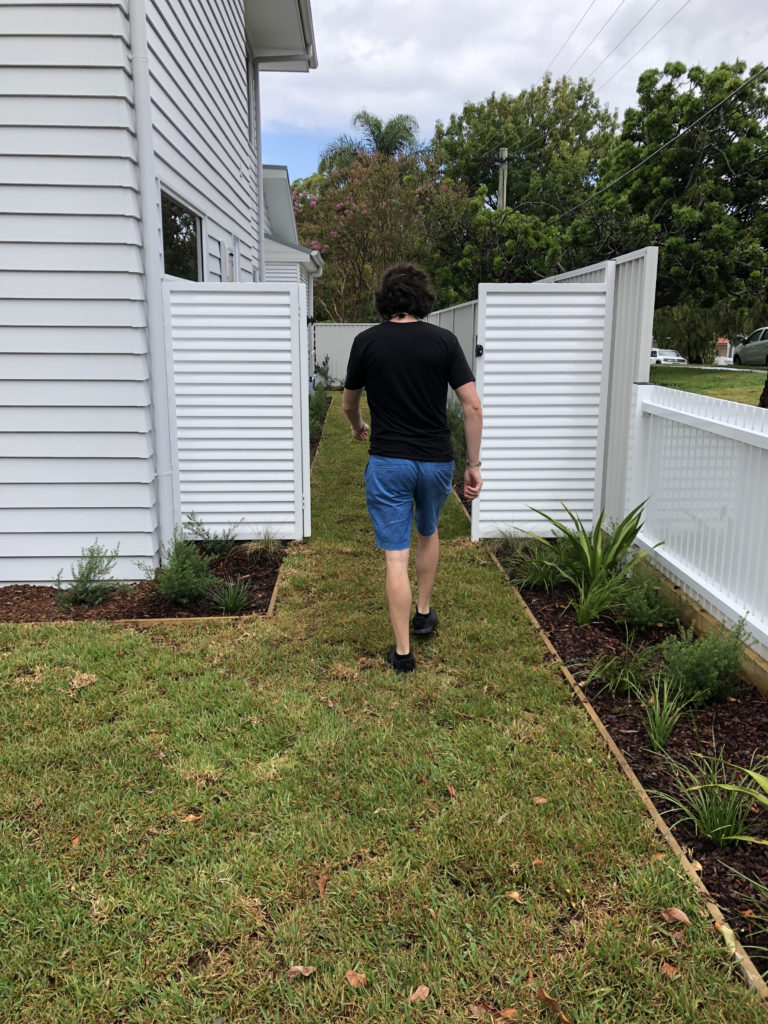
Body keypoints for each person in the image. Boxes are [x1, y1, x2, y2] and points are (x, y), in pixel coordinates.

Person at [342, 263, 483, 673]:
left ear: (385, 301)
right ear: (423, 299)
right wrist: (473, 465)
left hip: (389, 462)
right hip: (436, 461)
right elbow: (472, 406)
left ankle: (403, 653)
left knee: (394, 556)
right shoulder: (444, 341)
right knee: (428, 529)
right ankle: (423, 612)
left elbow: (350, 403)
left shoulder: (366, 342)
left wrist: (358, 428)